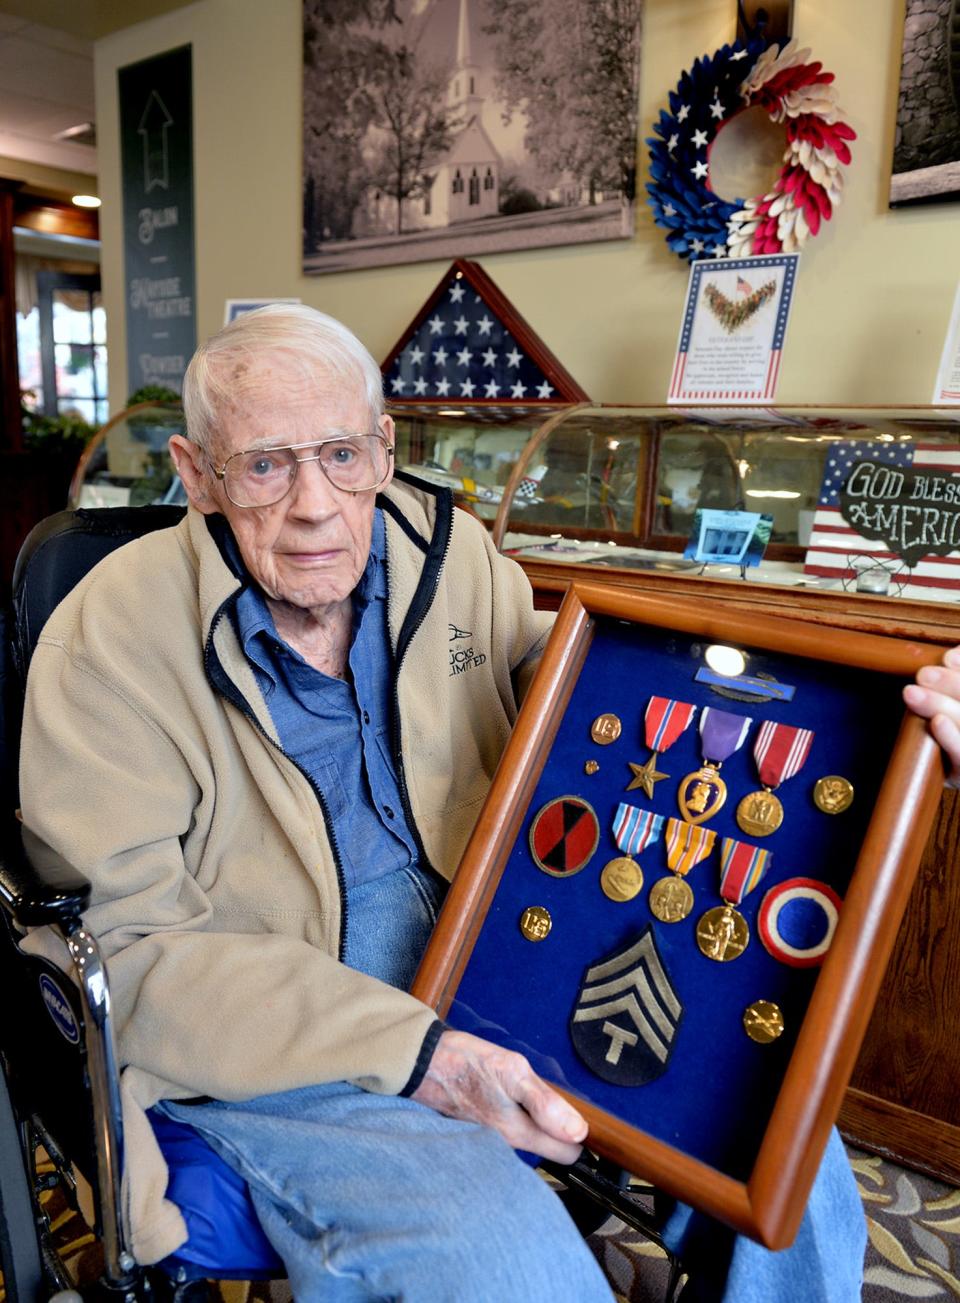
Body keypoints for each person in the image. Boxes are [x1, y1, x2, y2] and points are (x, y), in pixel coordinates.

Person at [17, 304, 960, 1301]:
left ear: (385, 452)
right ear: (198, 471)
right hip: (288, 1037)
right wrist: (421, 1055)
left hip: (508, 968)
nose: (312, 505)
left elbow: (583, 687)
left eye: (341, 454)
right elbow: (130, 946)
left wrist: (887, 729)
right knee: (512, 1262)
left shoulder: (452, 555)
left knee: (786, 1146)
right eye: (264, 464)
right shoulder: (110, 637)